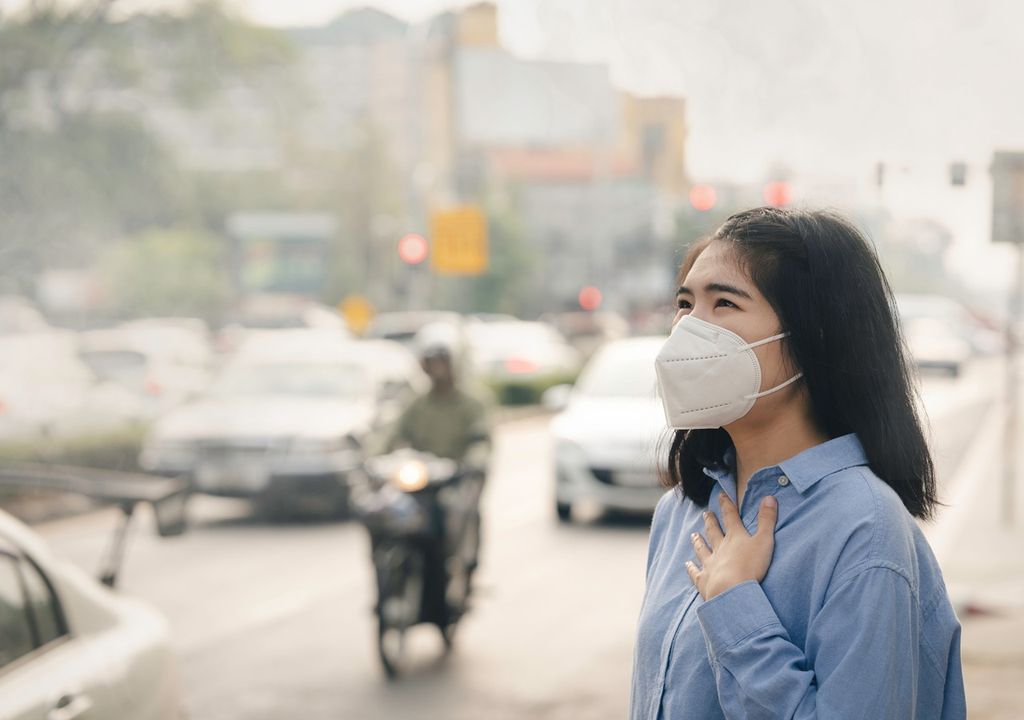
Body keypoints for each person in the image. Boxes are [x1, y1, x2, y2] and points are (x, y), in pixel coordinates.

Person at [631, 207, 965, 719]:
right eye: (684, 302)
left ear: (813, 337)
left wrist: (736, 604)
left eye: (723, 303)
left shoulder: (865, 530)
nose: (688, 329)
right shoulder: (682, 511)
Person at [386, 321, 490, 621]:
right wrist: (373, 456)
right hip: (421, 480)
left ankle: (464, 575)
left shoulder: (471, 403)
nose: (438, 368)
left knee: (462, 514)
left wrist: (474, 460)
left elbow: (481, 439)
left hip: (455, 480)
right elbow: (392, 434)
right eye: (432, 362)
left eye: (442, 360)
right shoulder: (417, 404)